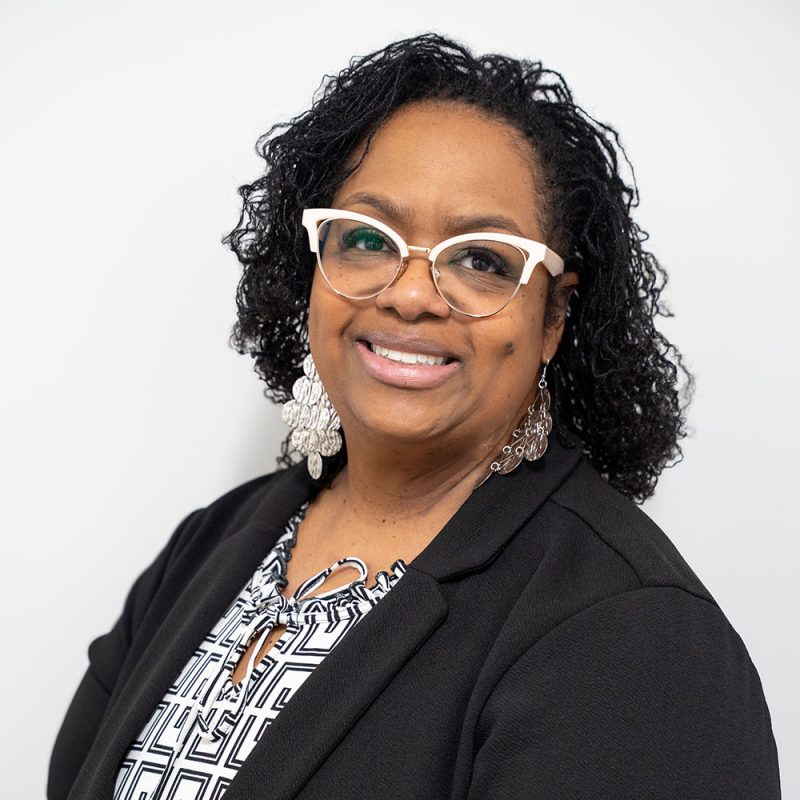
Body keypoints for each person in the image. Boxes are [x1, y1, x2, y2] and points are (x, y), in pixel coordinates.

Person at [48, 33, 781, 800]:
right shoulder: (208, 549)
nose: (408, 293)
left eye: (481, 258)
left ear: (554, 318)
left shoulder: (637, 639)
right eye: (367, 238)